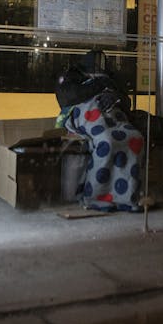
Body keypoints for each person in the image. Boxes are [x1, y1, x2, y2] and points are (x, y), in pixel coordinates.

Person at [55, 50, 143, 212]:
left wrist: (114, 96)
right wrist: (101, 85)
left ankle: (125, 196)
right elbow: (68, 97)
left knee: (134, 138)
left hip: (112, 116)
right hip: (86, 115)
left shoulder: (110, 78)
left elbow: (125, 101)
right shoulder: (71, 76)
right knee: (106, 142)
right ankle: (96, 197)